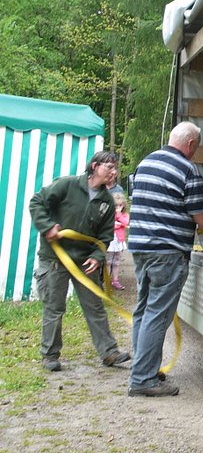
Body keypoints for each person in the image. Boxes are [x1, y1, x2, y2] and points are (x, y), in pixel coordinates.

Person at [127, 121, 203, 397]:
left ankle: (142, 368)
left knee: (144, 310)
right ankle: (143, 379)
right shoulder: (187, 169)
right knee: (157, 314)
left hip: (141, 249)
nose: (195, 152)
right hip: (168, 253)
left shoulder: (146, 162)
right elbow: (202, 220)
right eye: (196, 148)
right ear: (191, 144)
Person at [29, 151, 131, 372]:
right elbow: (36, 202)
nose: (114, 172)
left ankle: (109, 352)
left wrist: (97, 256)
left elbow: (105, 236)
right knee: (54, 307)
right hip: (55, 258)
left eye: (115, 169)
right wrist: (47, 227)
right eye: (109, 167)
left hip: (85, 262)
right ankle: (50, 355)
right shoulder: (67, 185)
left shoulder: (107, 201)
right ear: (94, 166)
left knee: (95, 306)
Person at [108, 192, 130, 290]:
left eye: (120, 205)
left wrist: (119, 214)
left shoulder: (124, 215)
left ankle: (115, 280)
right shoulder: (109, 215)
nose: (118, 207)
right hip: (110, 241)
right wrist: (117, 225)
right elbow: (108, 225)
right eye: (116, 205)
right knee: (108, 261)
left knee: (116, 262)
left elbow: (125, 222)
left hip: (119, 241)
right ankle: (107, 279)